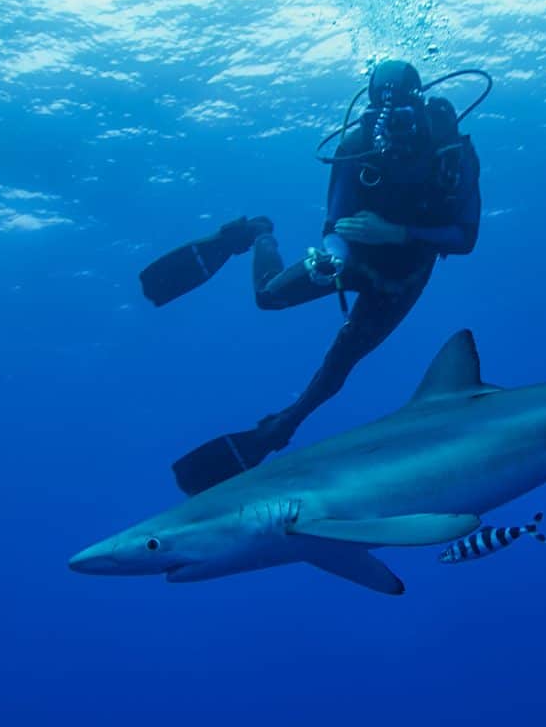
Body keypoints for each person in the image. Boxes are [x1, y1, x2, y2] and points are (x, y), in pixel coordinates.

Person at [138, 60, 489, 495]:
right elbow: (333, 225)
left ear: (421, 104)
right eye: (386, 115)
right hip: (352, 260)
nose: (395, 127)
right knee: (268, 297)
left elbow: (465, 237)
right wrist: (333, 258)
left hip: (404, 277)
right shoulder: (357, 144)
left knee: (339, 364)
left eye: (403, 113)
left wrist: (397, 233)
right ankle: (255, 232)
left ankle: (278, 429)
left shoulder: (452, 150)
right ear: (373, 112)